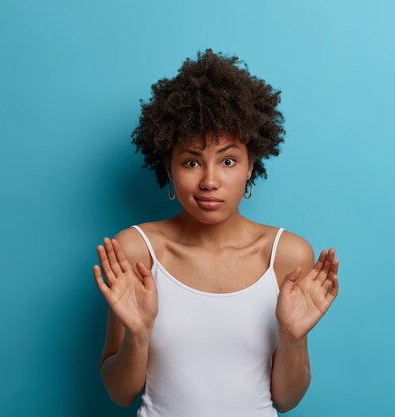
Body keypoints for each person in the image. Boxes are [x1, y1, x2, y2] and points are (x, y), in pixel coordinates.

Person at [93, 49, 339, 417]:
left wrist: (291, 336)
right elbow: (119, 393)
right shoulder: (137, 251)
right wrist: (140, 334)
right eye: (191, 162)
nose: (209, 181)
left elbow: (287, 400)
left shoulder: (286, 254)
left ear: (250, 166)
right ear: (170, 168)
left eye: (227, 161)